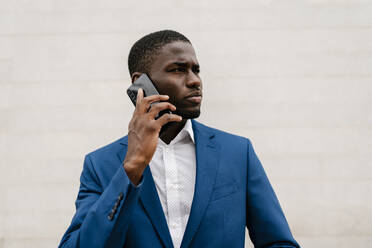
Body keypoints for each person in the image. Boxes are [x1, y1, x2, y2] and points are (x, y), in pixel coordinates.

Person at [58, 30, 300, 248]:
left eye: (196, 69)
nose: (195, 80)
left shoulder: (237, 153)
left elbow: (279, 242)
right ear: (140, 83)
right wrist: (131, 168)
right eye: (178, 69)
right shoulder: (100, 165)